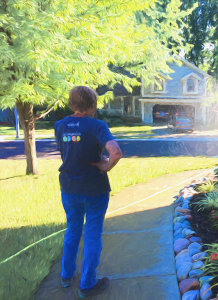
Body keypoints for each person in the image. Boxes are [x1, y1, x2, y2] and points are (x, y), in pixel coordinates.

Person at [54, 86, 122, 298]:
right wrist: (105, 166)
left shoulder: (59, 125)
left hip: (69, 187)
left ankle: (66, 276)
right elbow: (116, 152)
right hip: (94, 189)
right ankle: (88, 284)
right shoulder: (97, 126)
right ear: (93, 105)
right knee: (92, 233)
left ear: (72, 104)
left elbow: (67, 154)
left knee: (72, 230)